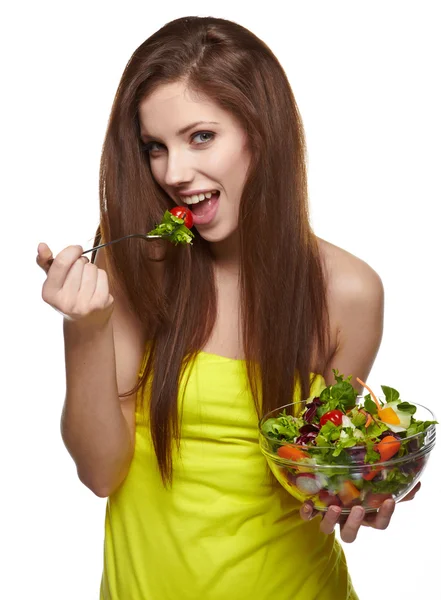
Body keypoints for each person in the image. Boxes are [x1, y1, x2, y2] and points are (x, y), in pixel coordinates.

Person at [36, 16, 420, 600]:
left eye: (200, 137)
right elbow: (99, 473)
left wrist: (367, 488)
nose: (174, 173)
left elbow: (327, 470)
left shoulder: (350, 292)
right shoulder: (135, 262)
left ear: (261, 133)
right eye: (154, 148)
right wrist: (85, 329)